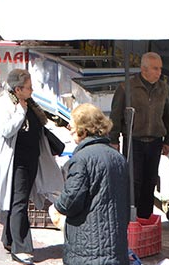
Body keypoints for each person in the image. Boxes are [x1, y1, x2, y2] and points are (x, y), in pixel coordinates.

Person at [0, 69, 63, 265]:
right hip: (17, 161)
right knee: (19, 202)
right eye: (29, 87)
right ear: (18, 89)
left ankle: (9, 239)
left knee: (18, 200)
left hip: (32, 158)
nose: (32, 91)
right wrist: (21, 113)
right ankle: (21, 248)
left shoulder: (29, 103)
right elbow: (6, 130)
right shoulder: (6, 104)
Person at [51, 104, 130, 265]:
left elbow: (71, 200)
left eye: (72, 127)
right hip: (116, 245)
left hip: (88, 246)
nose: (70, 130)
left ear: (84, 130)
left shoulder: (81, 159)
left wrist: (56, 207)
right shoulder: (118, 158)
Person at [108, 51, 169, 220]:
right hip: (133, 141)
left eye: (160, 68)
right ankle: (129, 219)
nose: (159, 72)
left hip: (155, 141)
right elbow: (115, 116)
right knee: (133, 182)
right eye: (155, 68)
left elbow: (168, 116)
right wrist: (114, 140)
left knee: (150, 182)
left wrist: (168, 139)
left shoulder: (164, 89)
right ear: (144, 69)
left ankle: (144, 219)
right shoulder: (127, 88)